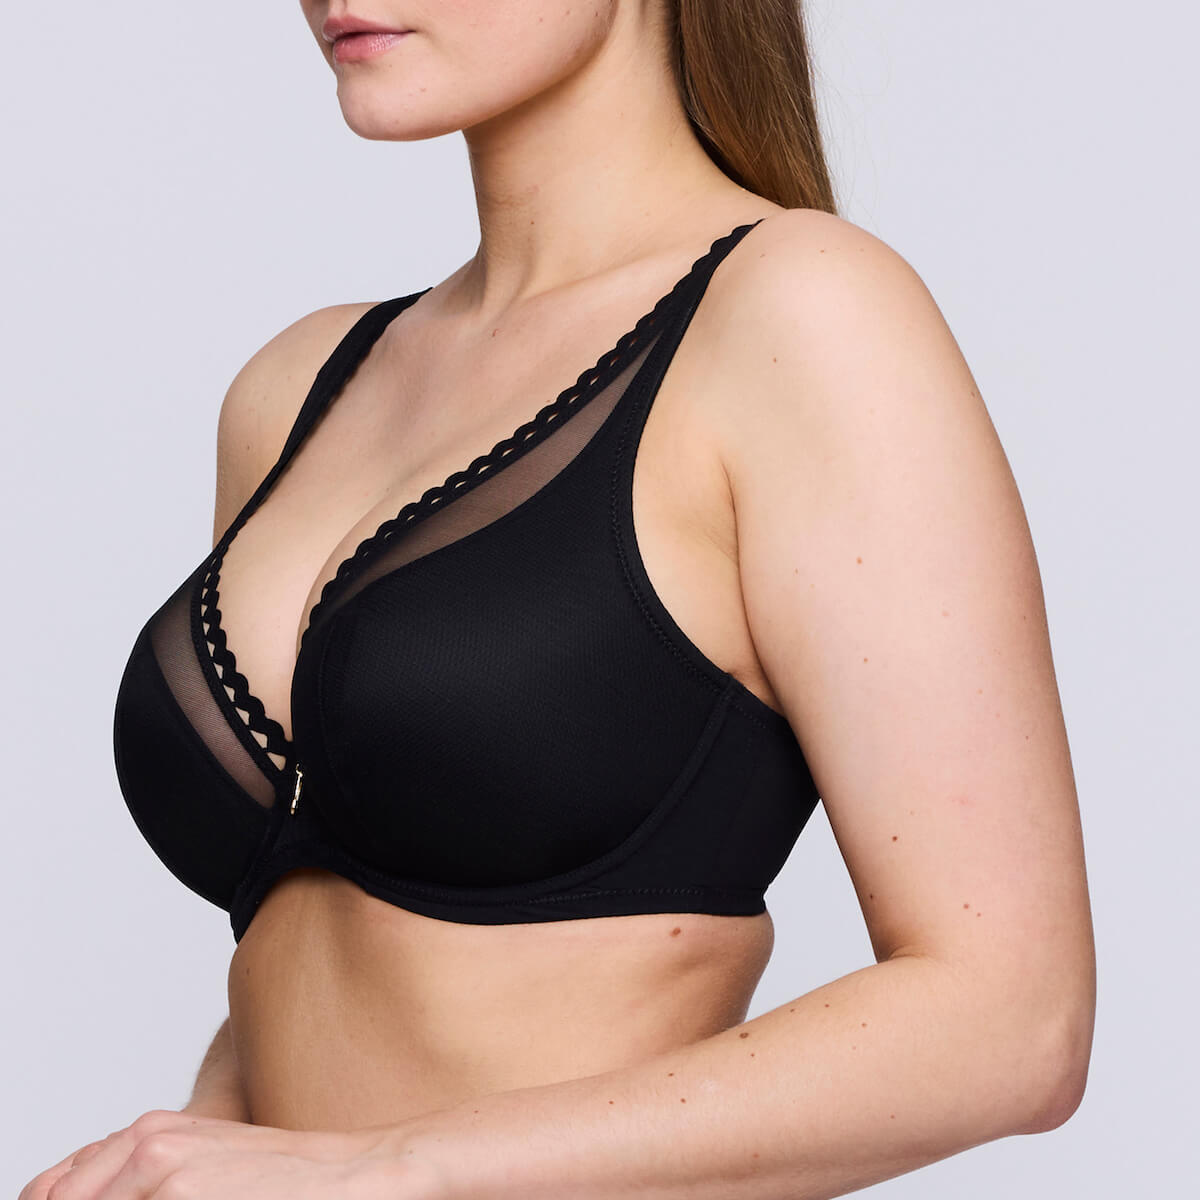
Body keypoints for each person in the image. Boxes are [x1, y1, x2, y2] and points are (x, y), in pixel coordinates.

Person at [21, 2, 1095, 1198]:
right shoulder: (293, 393)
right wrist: (179, 1154)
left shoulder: (800, 316)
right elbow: (313, 960)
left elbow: (1012, 1020)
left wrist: (393, 1172)